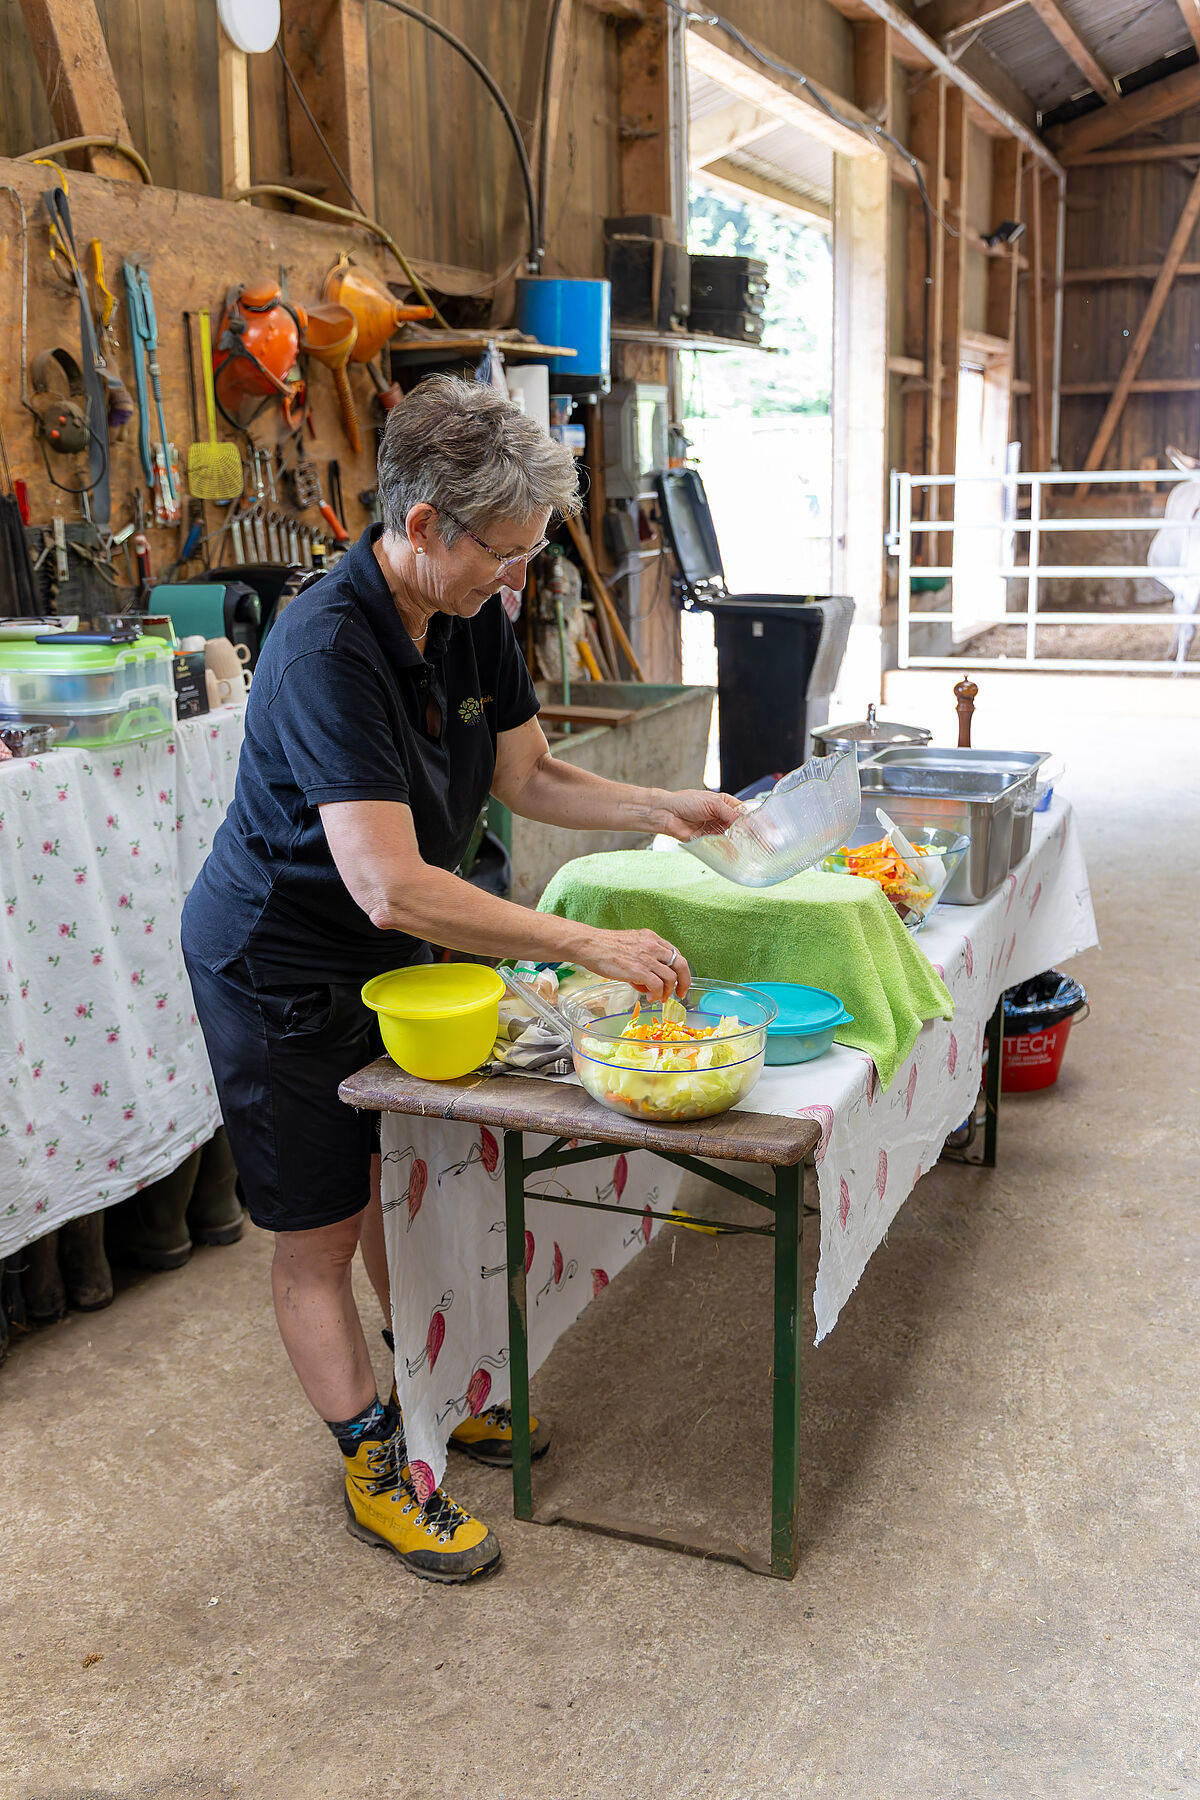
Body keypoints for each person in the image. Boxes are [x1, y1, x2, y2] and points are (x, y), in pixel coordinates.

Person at [181, 375, 741, 1584]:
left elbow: (526, 775)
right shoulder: (329, 645)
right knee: (319, 1229)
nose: (521, 579)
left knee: (405, 1185)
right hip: (279, 958)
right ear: (424, 526)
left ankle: (440, 1387)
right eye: (506, 553)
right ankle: (376, 1461)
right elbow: (390, 882)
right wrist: (582, 943)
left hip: (388, 948)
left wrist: (660, 806)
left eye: (532, 554)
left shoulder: (471, 601)